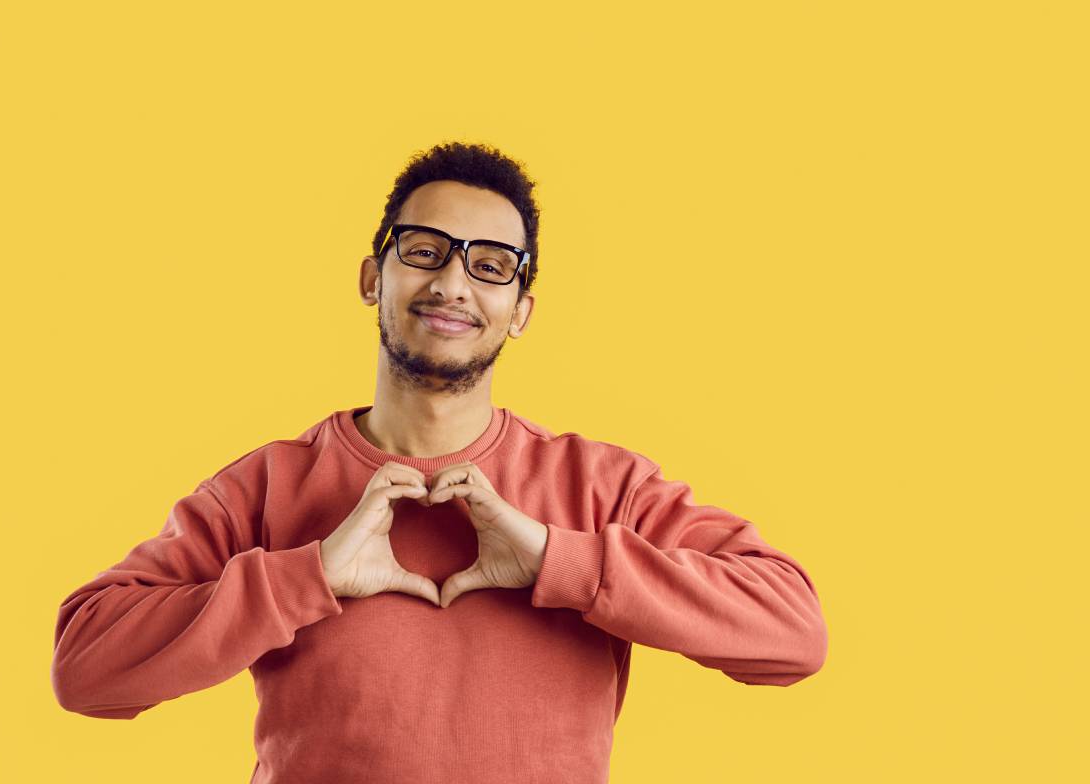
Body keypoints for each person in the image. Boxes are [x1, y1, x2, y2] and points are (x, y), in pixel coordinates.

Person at [50, 141, 828, 784]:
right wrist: (307, 574)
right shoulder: (265, 489)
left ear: (520, 309)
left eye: (491, 265)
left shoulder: (602, 489)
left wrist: (559, 560)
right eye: (424, 252)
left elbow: (792, 634)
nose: (452, 282)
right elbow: (85, 669)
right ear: (372, 276)